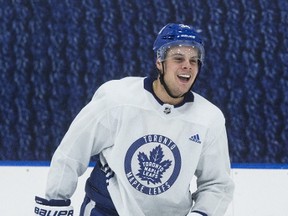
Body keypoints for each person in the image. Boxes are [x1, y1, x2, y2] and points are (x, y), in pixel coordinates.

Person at [34, 23, 234, 216]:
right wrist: (56, 200)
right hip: (107, 210)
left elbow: (217, 184)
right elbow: (73, 151)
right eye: (178, 58)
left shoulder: (209, 118)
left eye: (193, 60)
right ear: (159, 62)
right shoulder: (117, 99)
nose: (187, 66)